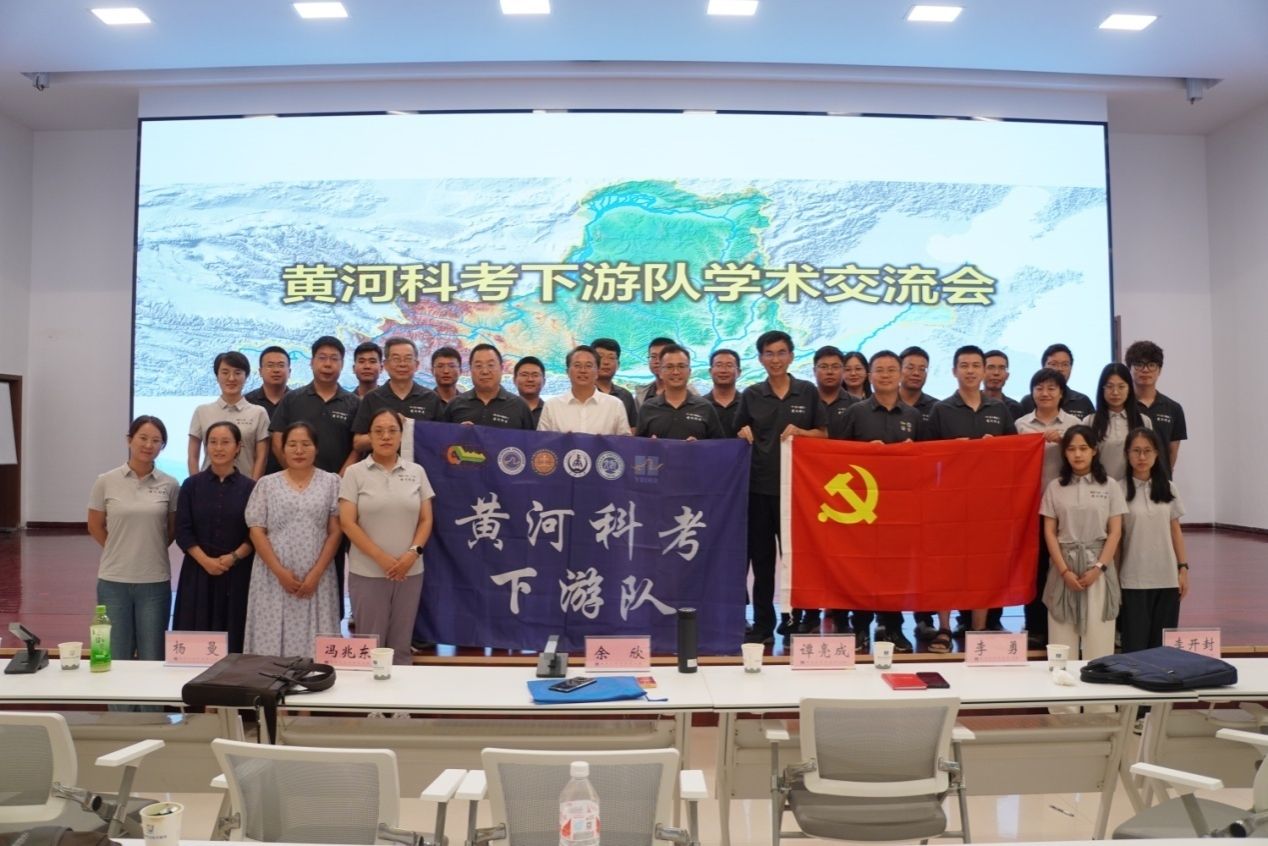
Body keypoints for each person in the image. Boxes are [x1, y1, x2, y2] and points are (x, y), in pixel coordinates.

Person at [735, 330, 827, 645]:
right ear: (761, 358)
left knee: (797, 559)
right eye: (769, 353)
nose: (775, 359)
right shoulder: (752, 394)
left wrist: (803, 432)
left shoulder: (807, 392)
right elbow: (738, 433)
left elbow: (824, 434)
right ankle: (763, 624)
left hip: (797, 492)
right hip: (759, 489)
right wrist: (742, 432)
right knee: (762, 563)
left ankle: (796, 620)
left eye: (781, 352)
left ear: (791, 356)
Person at [925, 345, 1017, 647]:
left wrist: (996, 449)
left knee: (983, 565)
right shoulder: (941, 410)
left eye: (976, 365)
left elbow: (1015, 456)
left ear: (984, 370)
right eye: (964, 365)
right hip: (949, 500)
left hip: (988, 501)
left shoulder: (999, 410)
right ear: (954, 371)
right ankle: (944, 627)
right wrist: (952, 449)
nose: (970, 371)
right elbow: (924, 457)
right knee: (945, 565)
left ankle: (978, 629)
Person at [834, 350, 923, 653]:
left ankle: (893, 627)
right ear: (870, 376)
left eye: (891, 370)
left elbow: (926, 462)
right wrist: (865, 452)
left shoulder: (912, 416)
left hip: (899, 505)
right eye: (879, 370)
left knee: (895, 568)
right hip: (861, 504)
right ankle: (860, 627)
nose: (885, 376)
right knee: (861, 567)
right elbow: (837, 457)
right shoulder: (855, 412)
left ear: (900, 375)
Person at [269, 336, 358, 612]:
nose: (327, 364)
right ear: (311, 362)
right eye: (322, 358)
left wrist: (337, 481)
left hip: (336, 494)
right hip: (295, 493)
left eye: (334, 359)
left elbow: (356, 447)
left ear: (342, 364)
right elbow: (278, 438)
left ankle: (332, 616)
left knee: (334, 555)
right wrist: (295, 473)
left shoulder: (352, 403)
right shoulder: (293, 399)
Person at [339, 409, 435, 664]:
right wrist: (381, 557)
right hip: (368, 571)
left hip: (409, 571)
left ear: (402, 436)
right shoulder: (355, 473)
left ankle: (401, 691)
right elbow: (347, 522)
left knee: (401, 645)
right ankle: (370, 692)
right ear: (369, 436)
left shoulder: (416, 471)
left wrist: (412, 554)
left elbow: (426, 519)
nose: (385, 436)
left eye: (392, 431)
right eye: (378, 431)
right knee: (370, 646)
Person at [243, 421, 343, 656]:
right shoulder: (266, 484)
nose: (299, 450)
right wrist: (280, 572)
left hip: (317, 576)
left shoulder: (332, 482)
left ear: (316, 448)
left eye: (306, 444)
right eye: (292, 444)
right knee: (270, 645)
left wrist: (315, 574)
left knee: (316, 646)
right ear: (283, 449)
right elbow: (256, 531)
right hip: (272, 576)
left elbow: (336, 531)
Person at [86, 415, 179, 661]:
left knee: (153, 657)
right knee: (116, 656)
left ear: (162, 446)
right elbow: (95, 525)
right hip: (113, 581)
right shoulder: (105, 481)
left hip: (155, 581)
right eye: (143, 438)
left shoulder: (170, 484)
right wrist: (119, 548)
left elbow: (172, 530)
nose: (148, 445)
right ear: (129, 440)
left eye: (156, 440)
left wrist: (149, 548)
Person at [1040, 424, 1126, 662]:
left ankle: (1099, 688)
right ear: (1064, 453)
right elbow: (1049, 532)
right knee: (1061, 644)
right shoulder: (1055, 487)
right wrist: (1064, 571)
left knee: (1099, 644)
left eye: (1083, 448)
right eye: (1071, 449)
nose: (1077, 454)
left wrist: (1099, 568)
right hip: (1063, 568)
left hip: (1098, 569)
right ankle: (1062, 687)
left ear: (1094, 450)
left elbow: (1115, 532)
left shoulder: (1110, 486)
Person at [1014, 368, 1084, 649]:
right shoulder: (1021, 425)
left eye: (1052, 388)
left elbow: (1084, 455)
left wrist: (1064, 441)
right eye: (1039, 388)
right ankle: (1035, 627)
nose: (1045, 393)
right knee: (1035, 567)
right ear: (1032, 392)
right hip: (1030, 507)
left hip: (1065, 507)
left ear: (1061, 393)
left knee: (1063, 564)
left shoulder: (1074, 423)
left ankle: (1064, 625)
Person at [173, 421, 255, 653]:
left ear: (238, 447)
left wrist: (233, 558)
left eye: (225, 442)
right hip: (197, 571)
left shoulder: (251, 487)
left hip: (237, 572)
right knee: (195, 640)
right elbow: (183, 531)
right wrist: (206, 561)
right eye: (213, 442)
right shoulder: (191, 485)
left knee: (234, 638)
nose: (219, 448)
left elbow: (254, 534)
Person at [1119, 427, 1189, 653]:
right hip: (1133, 579)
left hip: (1166, 578)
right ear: (1127, 454)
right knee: (1135, 647)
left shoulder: (1168, 488)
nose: (1142, 457)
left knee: (1162, 649)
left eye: (1147, 451)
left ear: (1157, 453)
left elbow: (1175, 530)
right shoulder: (1118, 490)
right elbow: (1116, 540)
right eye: (1136, 451)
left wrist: (1183, 568)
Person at [350, 337, 442, 459]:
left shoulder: (431, 398)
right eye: (396, 359)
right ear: (386, 365)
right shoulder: (372, 398)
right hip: (379, 469)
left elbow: (442, 439)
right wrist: (387, 431)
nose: (402, 364)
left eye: (408, 359)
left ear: (416, 365)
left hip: (421, 468)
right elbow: (358, 444)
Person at [188, 351, 271, 480]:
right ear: (217, 376)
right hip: (207, 485)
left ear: (246, 376)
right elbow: (193, 456)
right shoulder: (202, 411)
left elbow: (262, 457)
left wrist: (253, 486)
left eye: (238, 373)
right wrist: (196, 485)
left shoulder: (258, 413)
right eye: (225, 372)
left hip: (245, 486)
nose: (231, 378)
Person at [1124, 340, 1187, 475]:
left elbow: (1172, 452)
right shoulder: (1121, 406)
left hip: (1161, 480)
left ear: (1159, 370)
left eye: (1151, 365)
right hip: (1127, 479)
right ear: (1129, 369)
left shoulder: (1173, 408)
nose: (1145, 370)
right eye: (1139, 364)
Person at [635, 344, 724, 440]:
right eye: (669, 367)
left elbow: (719, 446)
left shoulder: (705, 407)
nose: (675, 372)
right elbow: (637, 446)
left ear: (689, 372)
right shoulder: (647, 408)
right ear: (660, 372)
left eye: (681, 366)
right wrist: (649, 445)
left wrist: (700, 446)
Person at [537, 345, 630, 436]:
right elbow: (542, 442)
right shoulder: (552, 406)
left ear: (597, 372)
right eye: (577, 365)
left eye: (588, 366)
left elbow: (625, 443)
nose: (583, 370)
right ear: (567, 372)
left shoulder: (615, 406)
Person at [443, 343, 536, 429]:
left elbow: (531, 440)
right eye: (478, 366)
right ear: (470, 369)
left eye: (491, 365)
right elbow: (442, 439)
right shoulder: (455, 404)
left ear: (501, 368)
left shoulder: (520, 406)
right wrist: (457, 433)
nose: (485, 371)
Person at [1084, 362, 1150, 482]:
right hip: (1100, 486)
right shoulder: (1090, 421)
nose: (1115, 392)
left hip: (1134, 487)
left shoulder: (1144, 421)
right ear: (1102, 389)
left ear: (1129, 389)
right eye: (1109, 386)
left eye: (1121, 386)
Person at [245, 346, 292, 476]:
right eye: (270, 365)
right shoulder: (247, 402)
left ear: (289, 371)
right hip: (252, 476)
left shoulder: (298, 402)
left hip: (290, 475)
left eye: (281, 365)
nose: (276, 370)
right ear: (260, 371)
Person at [1018, 343, 1096, 418]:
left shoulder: (1082, 401)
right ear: (1043, 367)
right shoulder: (1028, 402)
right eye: (1053, 364)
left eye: (1065, 364)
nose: (1059, 369)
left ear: (1071, 368)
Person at [590, 338, 638, 429]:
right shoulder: (585, 393)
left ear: (618, 364)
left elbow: (632, 429)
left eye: (611, 358)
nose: (606, 362)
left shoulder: (626, 396)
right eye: (600, 357)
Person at [814, 345, 857, 441]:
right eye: (824, 367)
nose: (830, 372)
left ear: (843, 370)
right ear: (814, 371)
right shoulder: (806, 401)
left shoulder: (856, 405)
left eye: (835, 367)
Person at [705, 349, 741, 438]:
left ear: (739, 372)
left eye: (729, 365)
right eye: (718, 365)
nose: (723, 370)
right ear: (710, 371)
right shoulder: (700, 406)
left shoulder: (749, 404)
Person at [898, 346, 938, 424]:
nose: (916, 373)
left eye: (922, 369)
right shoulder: (885, 403)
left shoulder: (936, 408)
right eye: (910, 368)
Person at [983, 349, 1024, 421]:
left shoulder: (1015, 408)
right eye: (990, 367)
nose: (996, 373)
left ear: (1007, 375)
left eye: (1002, 368)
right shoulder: (969, 404)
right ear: (980, 372)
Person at [634, 336, 676, 407]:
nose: (657, 361)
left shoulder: (690, 393)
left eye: (662, 356)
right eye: (653, 357)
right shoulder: (642, 395)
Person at [513, 356, 546, 428]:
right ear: (514, 380)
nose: (530, 379)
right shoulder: (506, 409)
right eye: (524, 375)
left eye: (535, 375)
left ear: (544, 381)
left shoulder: (549, 410)